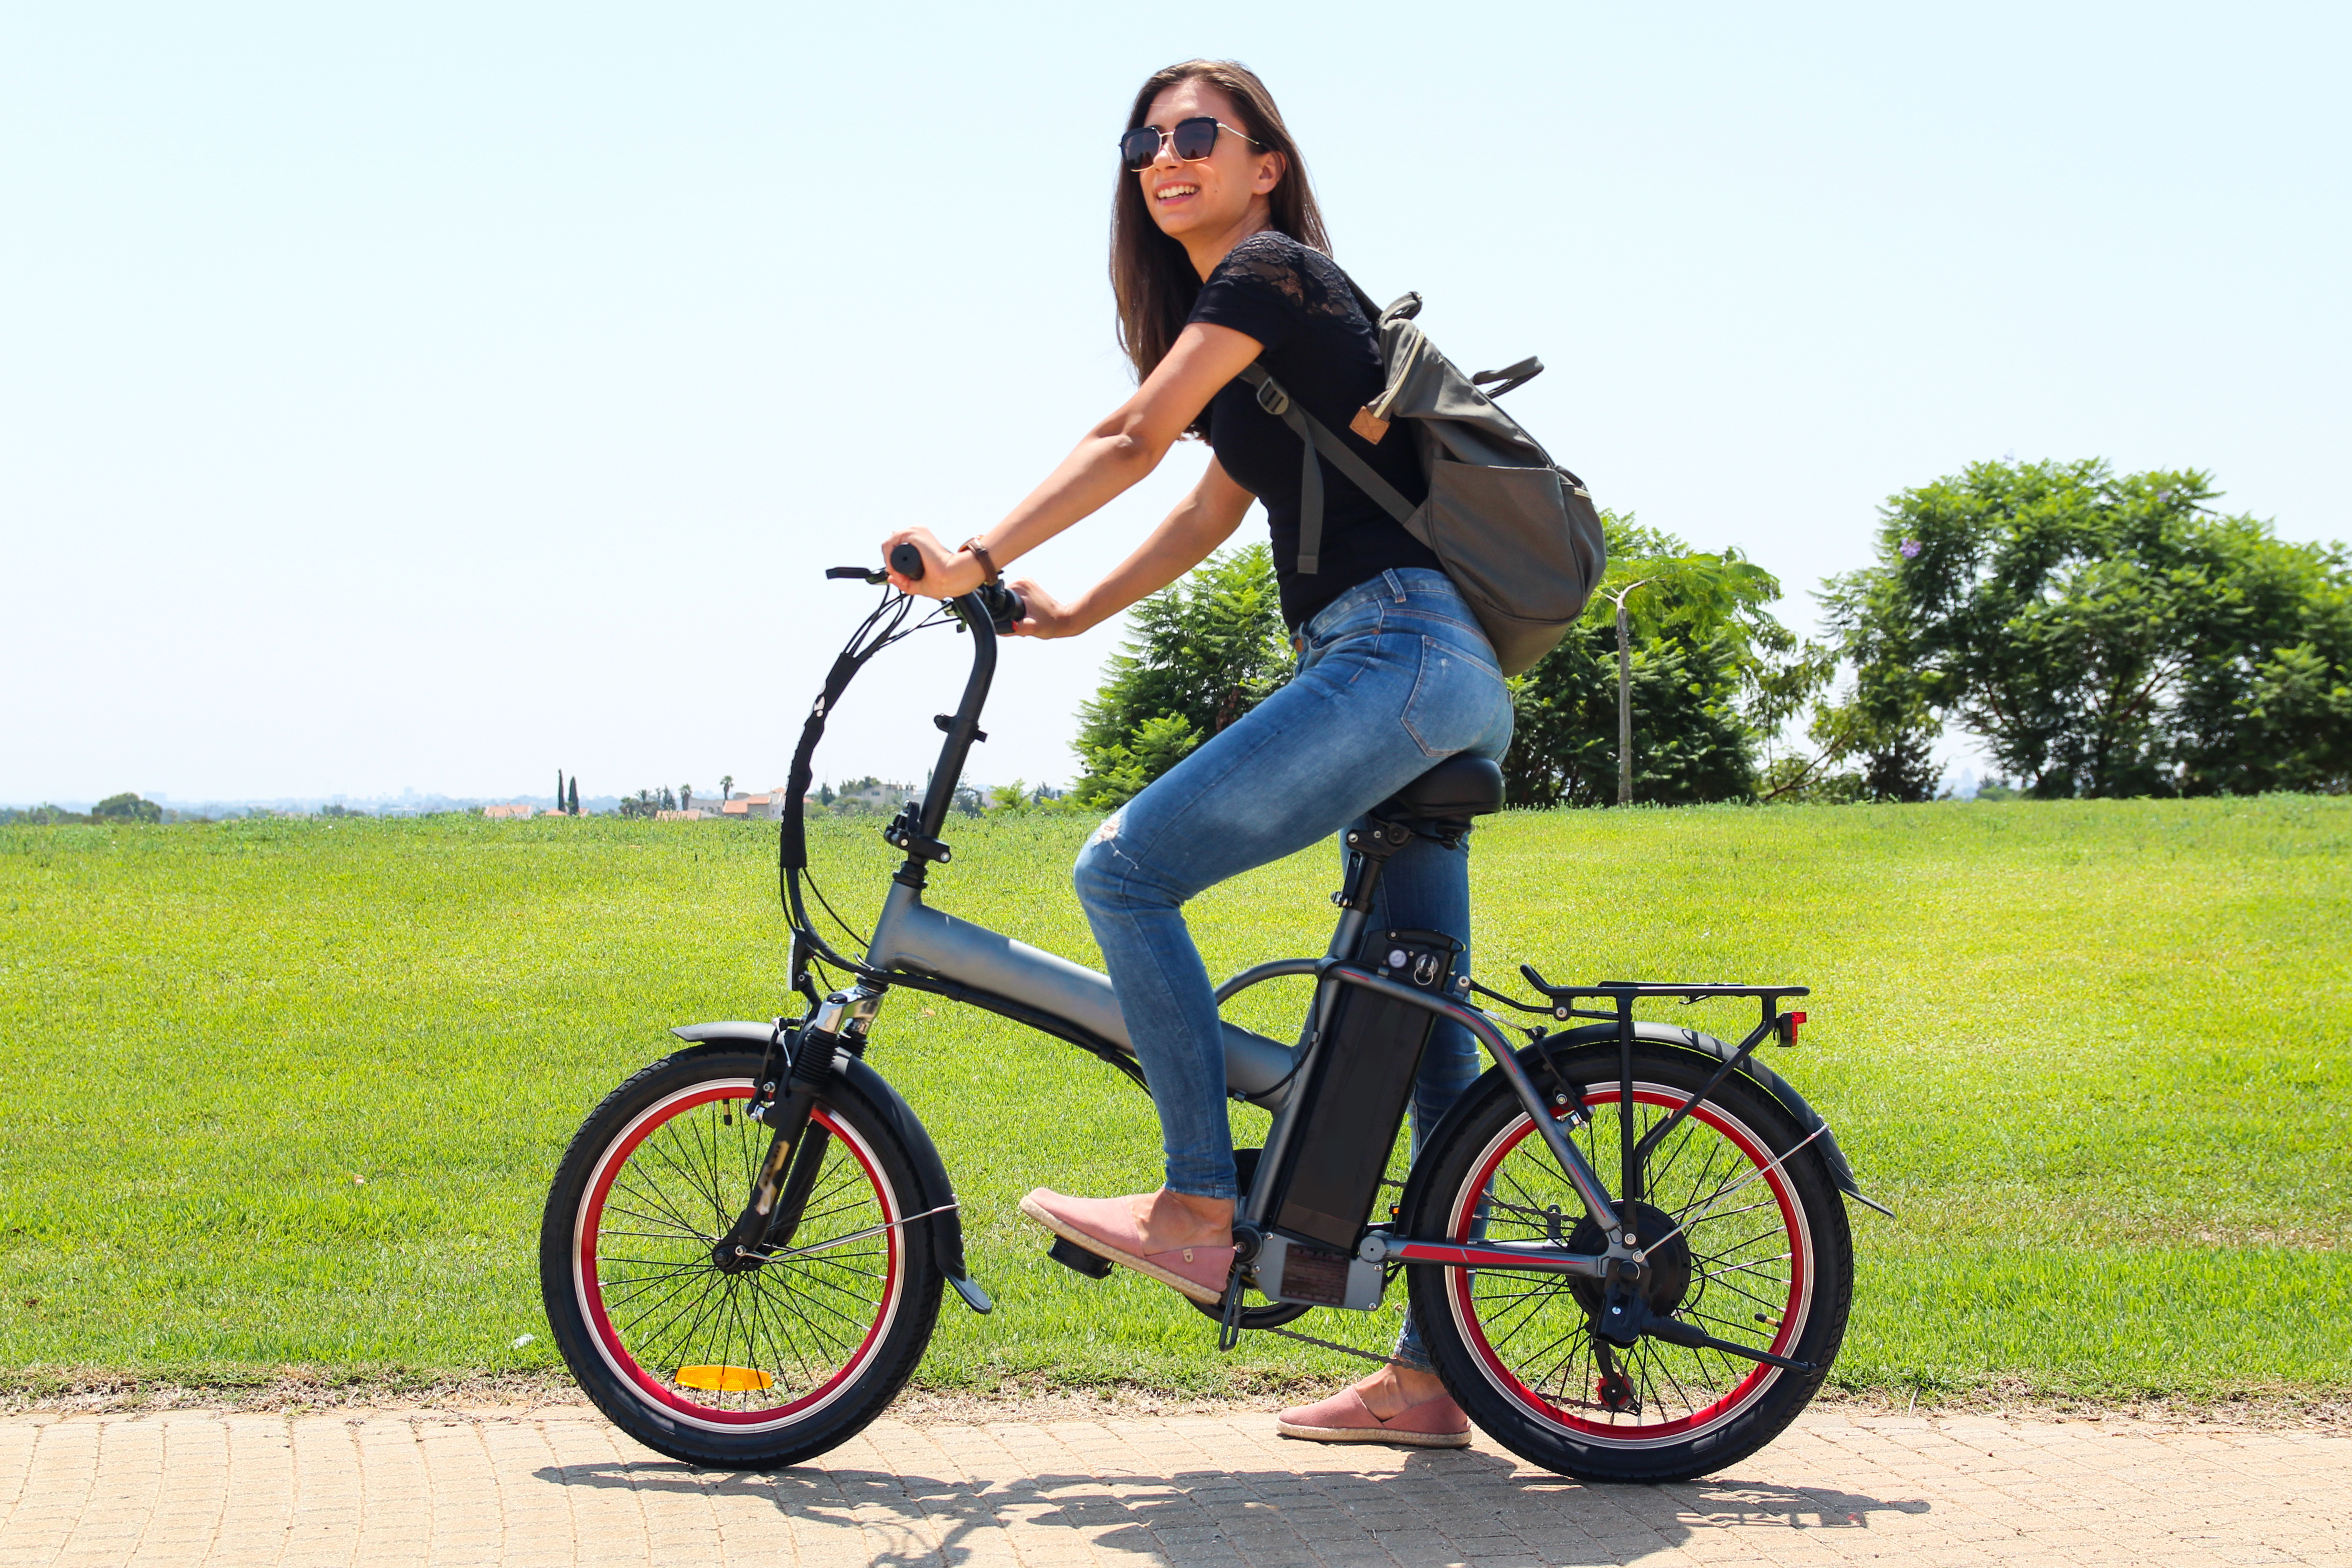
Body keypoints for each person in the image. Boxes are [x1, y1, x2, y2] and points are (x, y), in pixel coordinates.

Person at [882, 59, 1511, 1449]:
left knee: (1122, 870)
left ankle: (1196, 1205)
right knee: (1415, 1030)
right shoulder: (1278, 334)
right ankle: (1435, 1373)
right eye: (1142, 141)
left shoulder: (1275, 276)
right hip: (1444, 672)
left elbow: (1130, 433)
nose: (1161, 158)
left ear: (1265, 162)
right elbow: (1207, 510)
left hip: (1391, 652)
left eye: (1194, 135)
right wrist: (1065, 610)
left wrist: (979, 552)